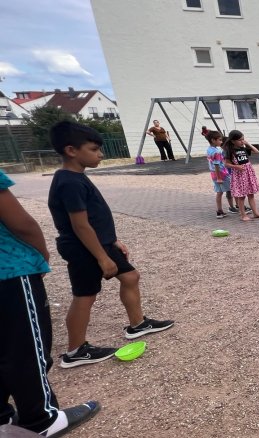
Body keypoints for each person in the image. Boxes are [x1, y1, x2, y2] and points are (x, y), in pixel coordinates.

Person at [47, 121, 174, 368]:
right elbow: (80, 225)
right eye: (94, 149)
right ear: (72, 150)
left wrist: (112, 241)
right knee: (85, 295)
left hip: (102, 243)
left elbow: (94, 217)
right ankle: (75, 351)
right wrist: (102, 257)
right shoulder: (69, 182)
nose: (101, 154)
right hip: (84, 247)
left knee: (130, 277)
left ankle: (137, 325)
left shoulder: (77, 177)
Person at [1, 169, 101, 437]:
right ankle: (41, 420)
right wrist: (39, 254)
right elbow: (21, 223)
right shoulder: (68, 181)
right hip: (9, 270)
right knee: (26, 349)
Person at [223, 130, 259, 221]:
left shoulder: (243, 148)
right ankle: (243, 215)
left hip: (248, 173)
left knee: (251, 194)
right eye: (240, 140)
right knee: (241, 196)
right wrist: (236, 166)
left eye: (243, 139)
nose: (242, 141)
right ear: (233, 141)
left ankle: (255, 213)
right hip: (239, 174)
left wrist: (248, 144)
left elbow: (257, 151)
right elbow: (226, 164)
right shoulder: (230, 151)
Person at [205, 130, 233, 219]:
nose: (221, 142)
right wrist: (219, 178)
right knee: (232, 188)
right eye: (220, 140)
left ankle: (219, 211)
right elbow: (216, 165)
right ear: (213, 140)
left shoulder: (209, 149)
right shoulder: (217, 152)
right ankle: (236, 207)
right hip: (221, 174)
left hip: (213, 174)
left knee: (219, 192)